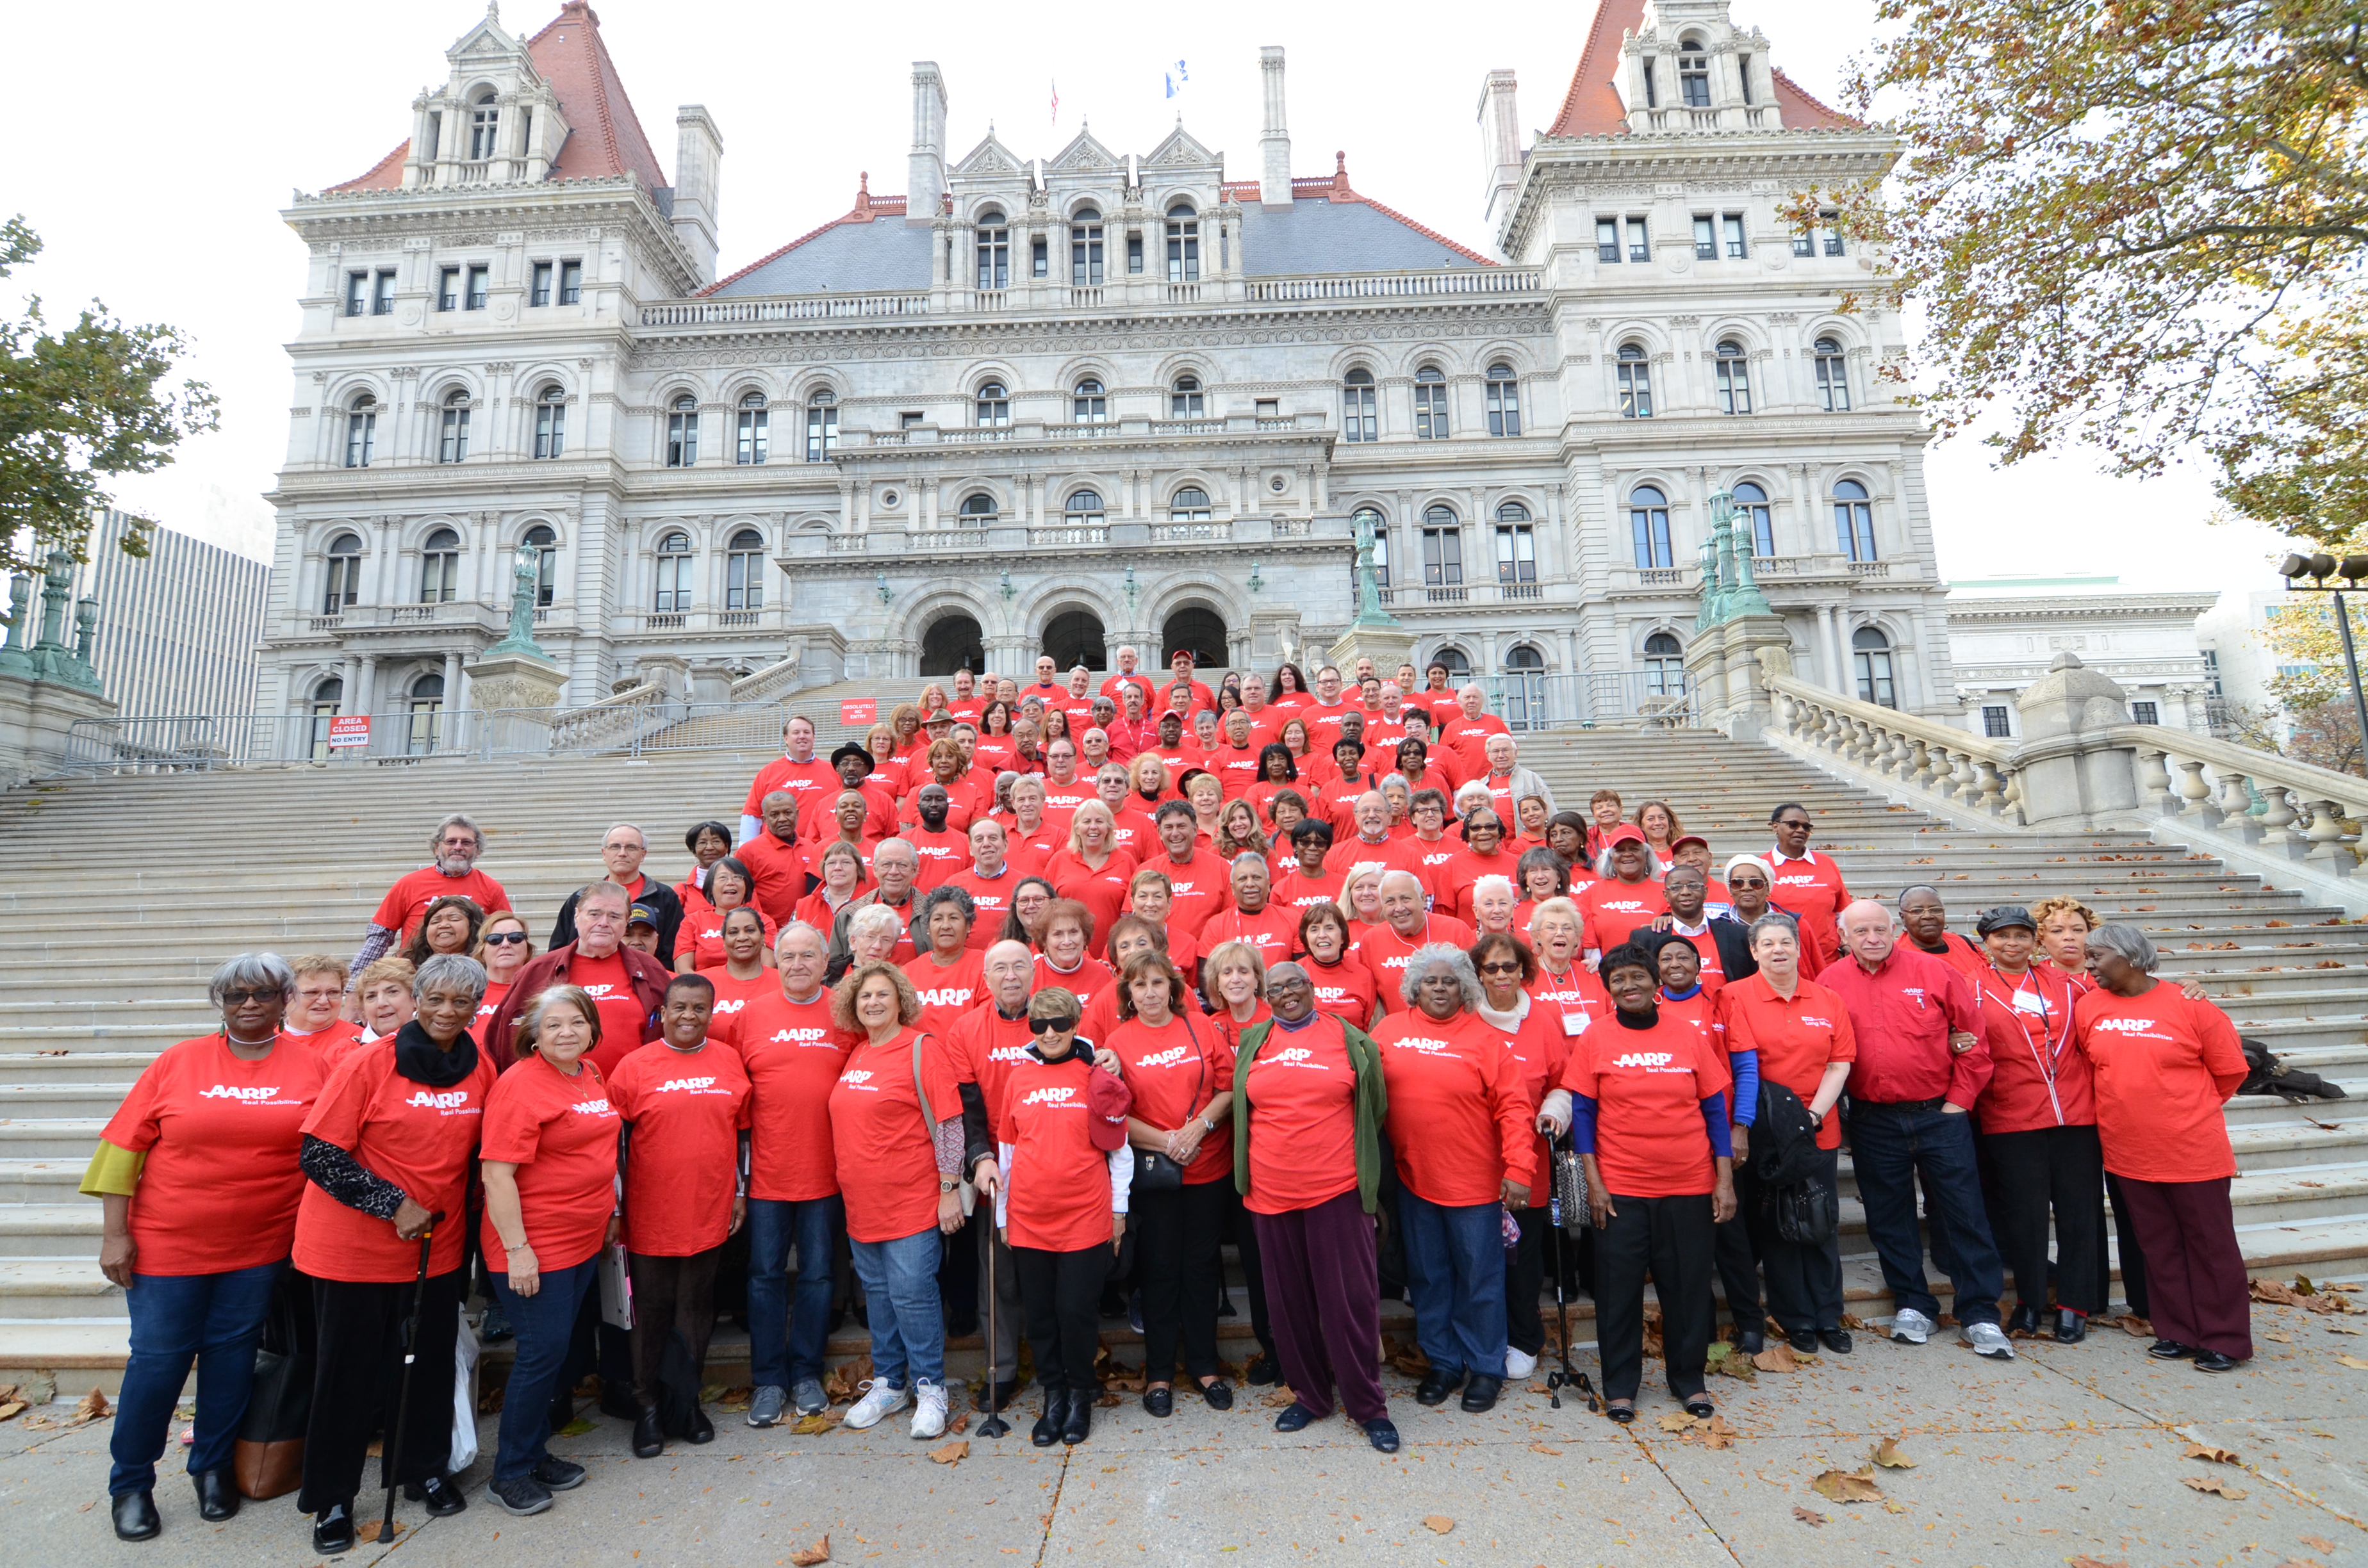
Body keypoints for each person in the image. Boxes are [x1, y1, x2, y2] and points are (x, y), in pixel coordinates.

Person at [86, 954, 328, 1542]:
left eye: (264, 994)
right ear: (219, 1002)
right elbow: (122, 1150)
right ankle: (131, 1484)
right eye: (236, 995)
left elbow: (328, 1151)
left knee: (231, 1362)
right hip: (167, 1246)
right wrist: (115, 1234)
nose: (250, 1004)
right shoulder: (179, 1061)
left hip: (259, 1247)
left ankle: (213, 1469)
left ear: (284, 1001)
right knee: (159, 1364)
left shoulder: (313, 1066)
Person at [293, 952, 498, 1549]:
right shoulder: (370, 1064)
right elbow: (320, 1154)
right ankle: (331, 1499)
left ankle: (422, 1469)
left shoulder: (479, 1067)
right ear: (418, 1000)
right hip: (353, 1251)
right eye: (435, 999)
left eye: (462, 1002)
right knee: (347, 1376)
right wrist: (392, 1204)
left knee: (427, 1368)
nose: (447, 1012)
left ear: (476, 1009)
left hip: (439, 1249)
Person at [1543, 943, 1736, 1424]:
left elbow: (1715, 1108)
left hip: (1688, 1184)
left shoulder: (1688, 1035)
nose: (1629, 987)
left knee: (1688, 1289)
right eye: (1618, 980)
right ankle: (1621, 1387)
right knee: (1616, 1291)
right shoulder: (1595, 1037)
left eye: (1637, 977)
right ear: (1607, 989)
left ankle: (1689, 1381)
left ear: (1655, 982)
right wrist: (1593, 1180)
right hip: (1622, 1187)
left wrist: (1724, 1176)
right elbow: (1583, 1113)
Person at [1821, 899, 2013, 1357]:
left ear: (1894, 930)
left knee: (1964, 1212)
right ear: (1844, 937)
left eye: (1879, 929)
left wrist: (1958, 1103)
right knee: (1889, 1217)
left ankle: (1981, 1313)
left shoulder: (1936, 972)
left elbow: (1974, 1042)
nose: (1872, 938)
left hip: (1938, 1115)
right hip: (1873, 1119)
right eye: (1861, 931)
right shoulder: (1829, 983)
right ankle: (1913, 1303)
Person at [1231, 962, 1397, 1452]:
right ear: (1266, 994)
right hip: (1270, 1193)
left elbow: (1377, 1106)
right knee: (1288, 1303)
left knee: (1349, 1303)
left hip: (1337, 1190)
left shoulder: (1350, 1040)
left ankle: (1368, 1406)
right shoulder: (1255, 1041)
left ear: (1311, 988)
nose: (1286, 994)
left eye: (1295, 985)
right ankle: (1310, 1395)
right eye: (1276, 988)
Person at [2075, 924, 2251, 1371]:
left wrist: (2184, 1111)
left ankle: (2225, 1339)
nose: (2089, 964)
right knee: (2158, 1248)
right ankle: (2177, 1331)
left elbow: (2230, 1070)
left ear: (2131, 957)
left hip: (2192, 1151)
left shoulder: (2190, 1005)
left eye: (2096, 956)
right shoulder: (2090, 1006)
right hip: (2127, 1152)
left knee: (2211, 1249)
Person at [478, 985, 623, 1517]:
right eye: (555, 1025)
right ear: (533, 1035)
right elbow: (497, 1175)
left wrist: (607, 1210)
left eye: (577, 1023)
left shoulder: (589, 1074)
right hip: (535, 1245)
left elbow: (599, 1149)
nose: (568, 1032)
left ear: (591, 1029)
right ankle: (509, 1472)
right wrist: (519, 1250)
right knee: (541, 1354)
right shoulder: (520, 1086)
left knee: (558, 1353)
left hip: (582, 1239)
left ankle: (534, 1453)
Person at [1370, 946, 1531, 1413]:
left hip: (1476, 1186)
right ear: (1413, 988)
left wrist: (1519, 1169)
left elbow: (1515, 1108)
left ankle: (1485, 1366)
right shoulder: (1389, 1031)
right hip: (1414, 1180)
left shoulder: (1485, 1039)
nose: (1439, 989)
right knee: (1427, 1277)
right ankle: (1442, 1361)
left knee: (1480, 1280)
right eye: (1430, 981)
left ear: (1465, 989)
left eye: (1449, 982)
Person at [974, 989, 1132, 1446]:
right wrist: (1003, 1215)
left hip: (1086, 1213)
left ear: (1076, 1024)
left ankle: (1081, 1393)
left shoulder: (1097, 1075)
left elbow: (1118, 1150)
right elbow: (1006, 1150)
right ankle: (1054, 1395)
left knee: (1075, 1310)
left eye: (1059, 1024)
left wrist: (1119, 1210)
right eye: (1039, 1025)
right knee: (1040, 1314)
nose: (1049, 1033)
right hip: (1028, 1215)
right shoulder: (1018, 1078)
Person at [607, 974, 751, 1457]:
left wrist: (739, 1192)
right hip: (649, 1212)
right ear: (662, 1013)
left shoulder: (729, 1061)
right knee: (650, 1311)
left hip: (709, 1207)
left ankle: (687, 1403)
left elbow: (742, 1137)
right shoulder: (633, 1067)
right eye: (680, 1008)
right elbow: (612, 1148)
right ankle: (648, 1406)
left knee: (696, 1308)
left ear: (712, 1012)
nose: (689, 1016)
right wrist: (614, 1207)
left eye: (699, 1008)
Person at [714, 925, 853, 1428]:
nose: (797, 964)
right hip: (768, 1175)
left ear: (824, 962)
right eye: (789, 956)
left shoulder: (845, 1009)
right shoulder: (752, 1015)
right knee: (765, 1278)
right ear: (779, 961)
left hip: (827, 1172)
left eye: (808, 956)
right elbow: (735, 1094)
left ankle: (808, 1373)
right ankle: (769, 1380)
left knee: (818, 1276)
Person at [828, 961, 973, 1437]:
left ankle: (931, 1387)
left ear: (901, 1001)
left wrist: (949, 1189)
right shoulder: (858, 1054)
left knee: (913, 1294)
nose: (873, 1003)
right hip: (861, 1203)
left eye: (882, 996)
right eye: (865, 996)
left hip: (912, 1198)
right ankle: (890, 1384)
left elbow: (950, 1123)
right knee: (879, 1296)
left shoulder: (920, 1048)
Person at [1714, 913, 1855, 1355]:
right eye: (1768, 943)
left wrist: (1813, 1115)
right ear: (1753, 951)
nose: (1778, 950)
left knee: (1820, 1223)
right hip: (1764, 1134)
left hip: (1817, 1128)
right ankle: (1794, 1317)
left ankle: (1829, 1316)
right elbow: (1737, 1064)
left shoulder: (1827, 998)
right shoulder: (1733, 996)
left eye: (1786, 942)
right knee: (1777, 1227)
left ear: (1798, 947)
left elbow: (1840, 1063)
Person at [1964, 904, 2101, 1341]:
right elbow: (1949, 1027)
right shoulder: (1972, 987)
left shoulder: (2067, 982)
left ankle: (2075, 1304)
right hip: (2013, 1114)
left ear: (2034, 940)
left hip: (2075, 1114)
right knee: (2025, 1217)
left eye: (2021, 935)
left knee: (2078, 1212)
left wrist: (2185, 990)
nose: (2012, 944)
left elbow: (2118, 1002)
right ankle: (2029, 1300)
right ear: (1986, 943)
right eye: (2002, 937)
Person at [1106, 952, 1235, 1417]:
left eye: (1158, 983)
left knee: (1200, 1269)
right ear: (1128, 994)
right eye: (1139, 986)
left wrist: (1198, 1128)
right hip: (1155, 1174)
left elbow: (1227, 1087)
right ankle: (1159, 1371)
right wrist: (1166, 1140)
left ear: (1174, 989)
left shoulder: (1202, 1028)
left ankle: (1204, 1366)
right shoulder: (1118, 1041)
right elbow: (1115, 1113)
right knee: (1159, 1271)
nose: (1150, 993)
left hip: (1207, 1166)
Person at [1467, 932, 1568, 1378]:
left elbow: (1564, 1083)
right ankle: (1480, 1336)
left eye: (1510, 967)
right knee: (1477, 1257)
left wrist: (1553, 1111)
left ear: (1524, 970)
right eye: (1491, 968)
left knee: (1522, 1256)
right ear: (1478, 974)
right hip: (1470, 1160)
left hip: (1527, 1161)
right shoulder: (1464, 1018)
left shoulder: (1543, 1020)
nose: (1502, 975)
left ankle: (1524, 1338)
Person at [483, 881, 670, 1077]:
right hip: (558, 1096)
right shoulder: (538, 972)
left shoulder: (650, 969)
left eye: (614, 916)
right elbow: (502, 1039)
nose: (603, 923)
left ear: (626, 922)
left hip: (635, 1091)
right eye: (595, 914)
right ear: (576, 916)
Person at [352, 814, 510, 975]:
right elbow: (380, 936)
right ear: (437, 848)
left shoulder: (492, 888)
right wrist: (354, 983)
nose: (458, 847)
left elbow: (507, 937)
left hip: (471, 977)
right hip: (414, 975)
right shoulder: (408, 884)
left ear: (477, 850)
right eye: (451, 841)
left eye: (466, 842)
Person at [550, 824, 687, 966]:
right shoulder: (580, 898)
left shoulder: (665, 897)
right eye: (615, 847)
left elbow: (674, 950)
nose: (622, 853)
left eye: (631, 847)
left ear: (643, 855)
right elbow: (559, 949)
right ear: (604, 853)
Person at [1360, 870, 1476, 1013]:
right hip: (1400, 1032)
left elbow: (1473, 992)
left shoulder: (1456, 930)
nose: (1399, 908)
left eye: (1406, 898)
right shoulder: (1371, 940)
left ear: (1422, 898)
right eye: (1390, 901)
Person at [1766, 803, 1850, 974]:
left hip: (1828, 962)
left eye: (1806, 827)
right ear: (1775, 826)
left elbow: (1844, 911)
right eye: (1793, 824)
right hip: (1781, 964)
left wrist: (1847, 943)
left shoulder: (1826, 863)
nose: (1800, 830)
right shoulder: (1762, 866)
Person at [1046, 801, 1137, 954]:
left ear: (1109, 828)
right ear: (1077, 828)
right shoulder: (1059, 860)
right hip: (1066, 954)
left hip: (1115, 954)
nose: (1093, 827)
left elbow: (1134, 913)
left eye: (1099, 821)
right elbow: (1045, 910)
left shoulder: (1126, 861)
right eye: (1086, 821)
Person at [825, 839, 921, 977]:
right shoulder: (849, 915)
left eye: (902, 865)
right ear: (875, 869)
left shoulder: (932, 914)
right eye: (886, 864)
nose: (894, 872)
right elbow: (833, 971)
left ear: (915, 869)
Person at [740, 714, 836, 844]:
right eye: (796, 733)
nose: (802, 736)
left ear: (814, 738)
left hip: (821, 849)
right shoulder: (768, 773)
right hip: (776, 849)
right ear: (786, 738)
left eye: (807, 732)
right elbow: (752, 815)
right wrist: (746, 849)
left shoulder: (833, 771)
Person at [904, 884, 986, 1034]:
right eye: (938, 919)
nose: (946, 926)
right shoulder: (907, 973)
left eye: (954, 918)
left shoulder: (985, 967)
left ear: (968, 926)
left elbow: (987, 1023)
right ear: (928, 928)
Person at [1201, 853, 1301, 968]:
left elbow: (1302, 972)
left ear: (1268, 883)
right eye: (1242, 879)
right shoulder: (1215, 926)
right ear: (1233, 888)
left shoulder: (1293, 920)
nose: (1250, 884)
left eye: (1256, 877)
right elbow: (1207, 980)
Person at [1582, 828, 1671, 958]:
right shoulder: (1595, 891)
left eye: (1634, 849)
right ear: (1611, 857)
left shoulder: (1666, 890)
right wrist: (1592, 953)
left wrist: (1670, 919)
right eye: (1620, 850)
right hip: (1608, 974)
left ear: (1646, 854)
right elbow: (1576, 921)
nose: (1627, 854)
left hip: (1653, 974)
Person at [679, 856, 777, 974]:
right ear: (710, 887)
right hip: (704, 989)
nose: (731, 883)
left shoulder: (763, 921)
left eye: (737, 877)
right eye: (723, 878)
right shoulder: (692, 921)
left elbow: (768, 965)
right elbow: (683, 969)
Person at [1297, 902, 1377, 1029]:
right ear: (1305, 938)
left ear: (1343, 936)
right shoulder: (1294, 974)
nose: (1322, 935)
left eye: (1329, 928)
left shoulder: (1363, 976)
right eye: (1314, 929)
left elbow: (1369, 1025)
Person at [284, 951, 366, 1062]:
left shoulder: (359, 1040)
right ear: (287, 995)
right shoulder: (265, 1039)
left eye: (333, 992)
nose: (323, 1001)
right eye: (312, 993)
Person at [1900, 885, 1986, 980]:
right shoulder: (1896, 956)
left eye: (1936, 910)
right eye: (1917, 911)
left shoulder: (1966, 944)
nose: (1928, 916)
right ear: (1903, 917)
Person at [794, 839, 872, 933]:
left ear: (858, 868)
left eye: (846, 862)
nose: (837, 868)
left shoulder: (871, 906)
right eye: (831, 863)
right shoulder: (803, 906)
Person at [400, 894, 486, 968]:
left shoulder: (490, 969)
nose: (443, 925)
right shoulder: (408, 971)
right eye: (435, 922)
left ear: (473, 926)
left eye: (454, 919)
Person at [354, 955, 418, 1043]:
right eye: (371, 997)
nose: (381, 1003)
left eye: (392, 992)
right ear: (363, 1009)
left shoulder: (439, 1046)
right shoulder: (344, 1053)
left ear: (415, 998)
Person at [677, 821, 734, 910]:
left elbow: (756, 920)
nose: (709, 847)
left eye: (716, 841)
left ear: (726, 847)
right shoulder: (682, 890)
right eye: (702, 843)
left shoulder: (741, 885)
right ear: (694, 850)